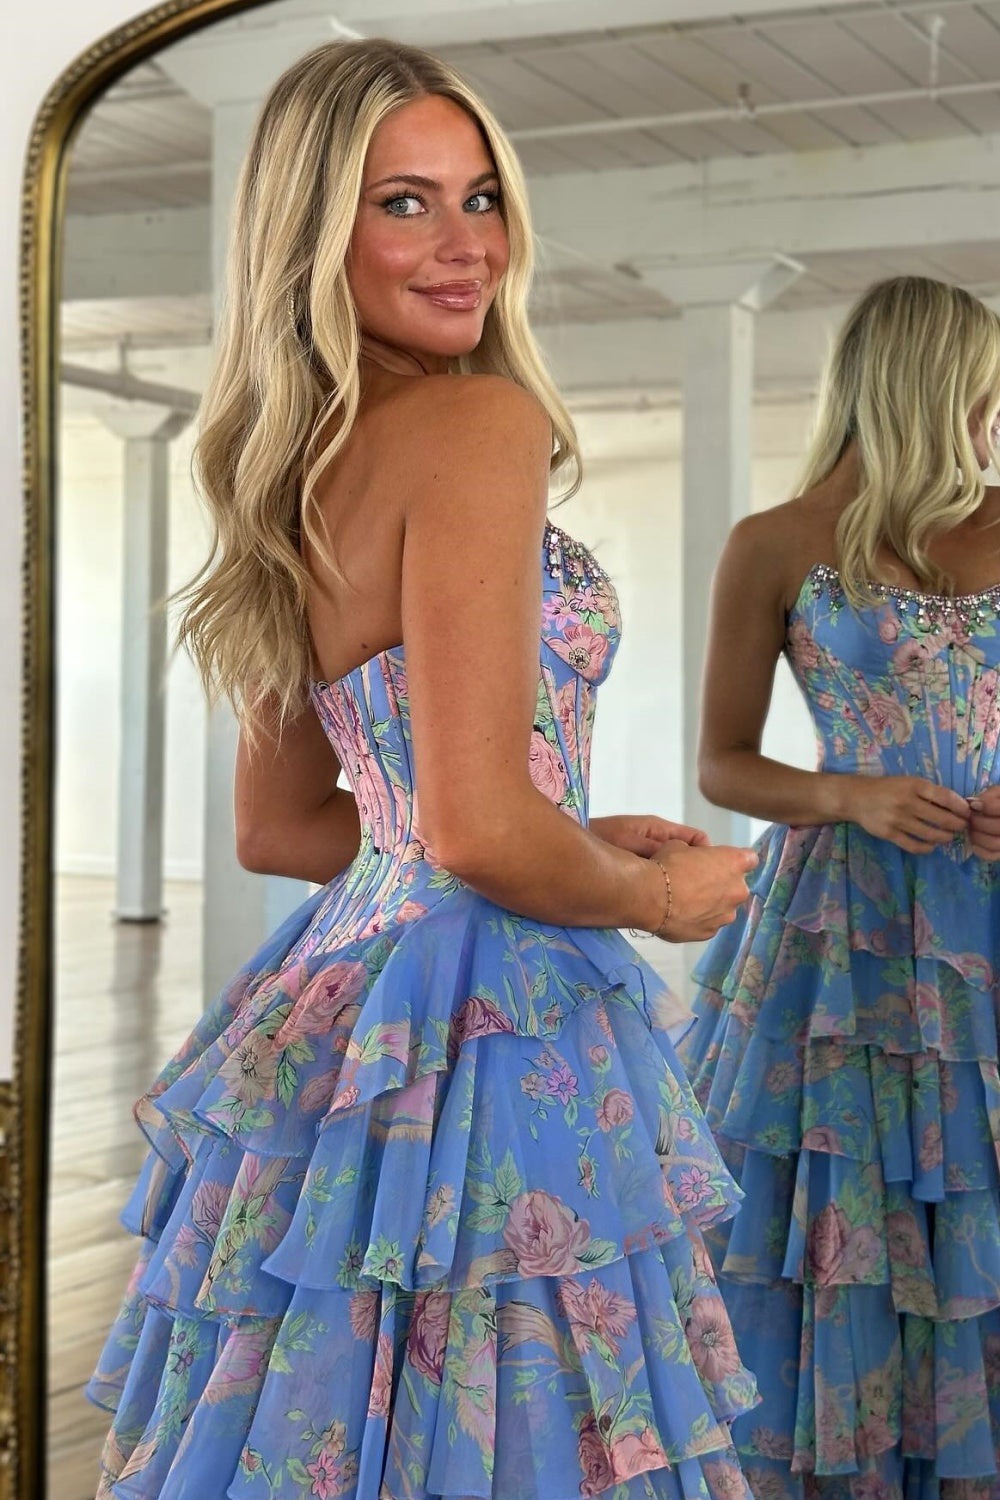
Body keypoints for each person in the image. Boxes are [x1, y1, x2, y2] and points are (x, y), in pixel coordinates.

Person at [87, 38, 760, 1500]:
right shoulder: (478, 421)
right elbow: (471, 829)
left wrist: (571, 838)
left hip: (347, 994)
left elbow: (287, 827)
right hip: (496, 1013)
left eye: (482, 197)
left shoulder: (292, 462)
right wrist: (653, 898)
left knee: (350, 1427)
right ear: (311, 232)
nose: (466, 245)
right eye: (404, 203)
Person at [678, 275, 1000, 1500]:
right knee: (845, 1200)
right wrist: (848, 794)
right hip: (837, 932)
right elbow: (723, 761)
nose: (989, 418)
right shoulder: (775, 541)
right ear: (924, 383)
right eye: (979, 390)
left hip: (985, 911)